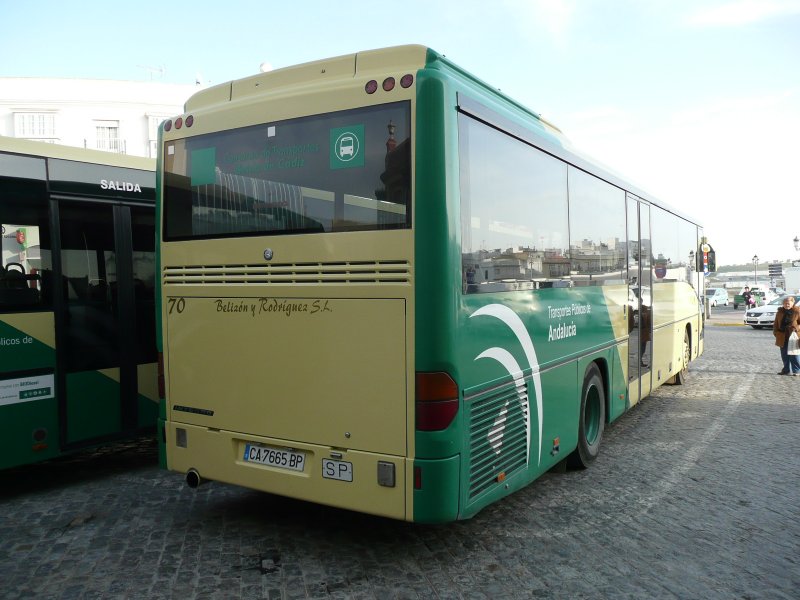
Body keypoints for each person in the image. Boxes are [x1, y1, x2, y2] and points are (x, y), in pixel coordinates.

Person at [773, 296, 800, 375]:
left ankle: (797, 370)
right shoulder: (780, 312)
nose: (786, 305)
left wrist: (796, 328)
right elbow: (775, 324)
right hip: (782, 336)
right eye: (785, 303)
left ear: (793, 303)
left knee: (794, 354)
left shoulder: (797, 311)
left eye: (788, 303)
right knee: (784, 354)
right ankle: (786, 370)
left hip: (793, 336)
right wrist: (776, 333)